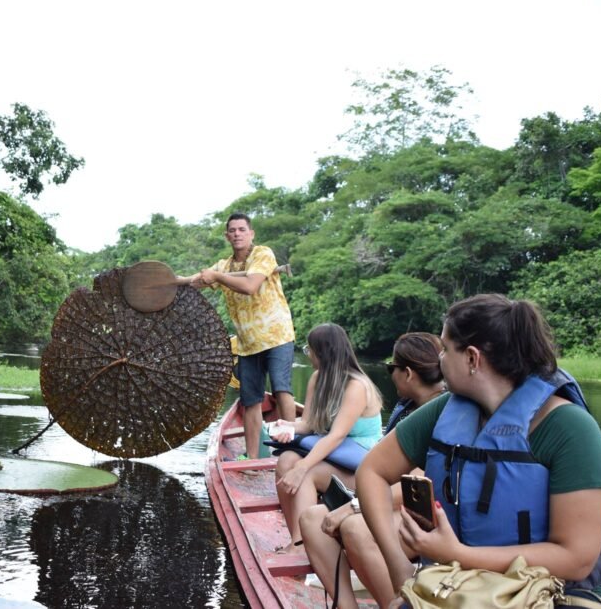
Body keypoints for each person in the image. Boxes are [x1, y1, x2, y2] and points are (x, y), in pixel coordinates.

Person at [356, 294, 601, 608]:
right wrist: (398, 565)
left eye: (444, 349)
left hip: (560, 592)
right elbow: (371, 471)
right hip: (457, 584)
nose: (438, 361)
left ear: (471, 358)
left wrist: (457, 554)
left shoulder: (569, 428)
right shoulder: (443, 412)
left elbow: (576, 559)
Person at [299, 332, 447, 609]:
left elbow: (419, 482)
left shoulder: (441, 413)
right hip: (390, 500)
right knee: (311, 518)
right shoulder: (407, 406)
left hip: (426, 511)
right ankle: (346, 604)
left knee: (355, 527)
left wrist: (354, 506)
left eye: (392, 369)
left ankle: (393, 602)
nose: (390, 375)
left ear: (409, 374)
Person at [268, 323, 383, 552]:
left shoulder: (356, 386)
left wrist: (302, 466)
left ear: (322, 352)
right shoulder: (318, 378)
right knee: (285, 461)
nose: (308, 353)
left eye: (309, 349)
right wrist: (286, 425)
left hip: (361, 468)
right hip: (335, 458)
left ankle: (304, 546)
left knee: (305, 471)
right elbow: (310, 424)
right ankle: (298, 540)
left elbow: (337, 436)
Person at [190, 212, 296, 459]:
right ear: (227, 236)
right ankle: (252, 458)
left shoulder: (262, 254)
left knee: (281, 390)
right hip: (248, 344)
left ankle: (292, 451)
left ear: (251, 234)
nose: (237, 234)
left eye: (241, 229)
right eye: (232, 230)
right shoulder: (224, 266)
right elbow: (195, 281)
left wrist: (216, 277)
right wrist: (174, 281)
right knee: (251, 401)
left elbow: (250, 286)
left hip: (276, 336)